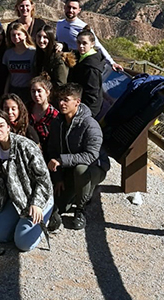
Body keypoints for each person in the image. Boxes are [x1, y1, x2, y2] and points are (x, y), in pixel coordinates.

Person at [0, 109, 53, 252]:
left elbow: (43, 179)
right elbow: (2, 181)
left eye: (1, 125)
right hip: (15, 199)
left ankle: (46, 217)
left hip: (37, 198)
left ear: (8, 126)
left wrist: (37, 204)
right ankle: (21, 225)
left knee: (23, 245)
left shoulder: (25, 146)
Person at [46, 84, 109, 231]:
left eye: (66, 100)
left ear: (77, 102)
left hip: (94, 167)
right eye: (60, 99)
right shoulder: (58, 122)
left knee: (81, 170)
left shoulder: (89, 124)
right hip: (68, 169)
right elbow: (52, 149)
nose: (61, 103)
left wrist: (62, 160)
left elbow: (92, 155)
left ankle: (81, 210)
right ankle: (79, 193)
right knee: (60, 206)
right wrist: (58, 178)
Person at [55, 0, 122, 71]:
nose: (71, 10)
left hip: (75, 64)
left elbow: (97, 45)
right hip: (59, 61)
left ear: (79, 10)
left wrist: (112, 62)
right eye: (69, 7)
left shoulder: (83, 27)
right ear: (64, 7)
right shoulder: (59, 24)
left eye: (74, 8)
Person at [67, 27, 107, 118]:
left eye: (84, 43)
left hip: (87, 109)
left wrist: (80, 111)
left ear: (92, 44)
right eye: (79, 43)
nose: (81, 46)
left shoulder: (92, 68)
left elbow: (92, 94)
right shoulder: (81, 56)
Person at [3, 23, 36, 103]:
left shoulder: (33, 52)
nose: (16, 37)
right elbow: (8, 75)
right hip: (13, 89)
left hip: (28, 90)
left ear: (25, 35)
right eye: (13, 35)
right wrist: (5, 92)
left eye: (19, 34)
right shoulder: (8, 54)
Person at [28, 76, 59, 157]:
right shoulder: (26, 109)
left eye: (39, 91)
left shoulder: (54, 115)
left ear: (47, 92)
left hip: (47, 153)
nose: (36, 94)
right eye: (33, 91)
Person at [34, 25, 68, 89]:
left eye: (45, 37)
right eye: (39, 36)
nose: (41, 40)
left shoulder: (58, 57)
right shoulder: (38, 54)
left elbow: (61, 83)